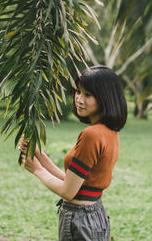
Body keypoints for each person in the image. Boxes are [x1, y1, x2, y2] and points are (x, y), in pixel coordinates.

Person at [18, 65, 127, 241]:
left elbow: (68, 191)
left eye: (88, 95)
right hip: (95, 217)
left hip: (80, 221)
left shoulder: (91, 135)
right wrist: (40, 157)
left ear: (105, 98)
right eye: (78, 92)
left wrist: (36, 169)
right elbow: (74, 182)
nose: (79, 99)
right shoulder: (109, 132)